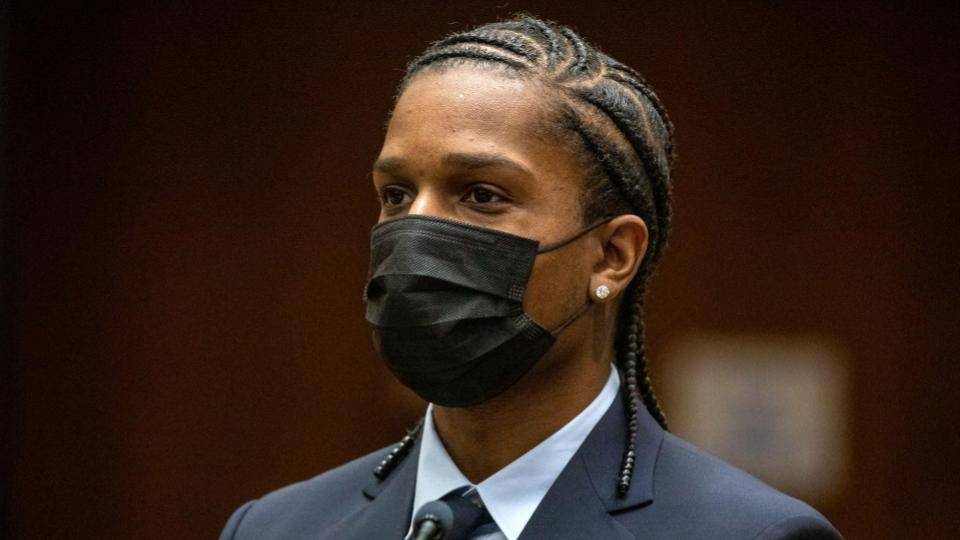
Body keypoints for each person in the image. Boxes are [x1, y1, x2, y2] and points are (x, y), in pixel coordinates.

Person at [220, 14, 842, 540]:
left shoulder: (753, 534)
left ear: (612, 256)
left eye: (482, 194)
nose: (417, 231)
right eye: (396, 194)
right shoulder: (272, 529)